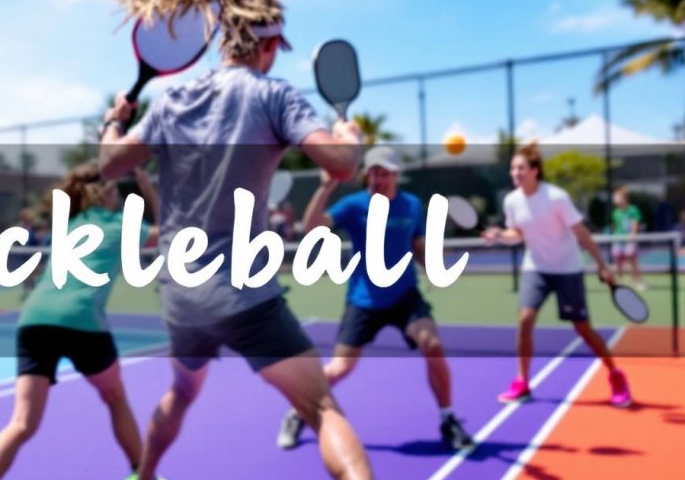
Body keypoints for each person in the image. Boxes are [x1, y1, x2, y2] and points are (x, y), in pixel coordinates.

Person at [101, 0, 375, 480]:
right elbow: (340, 167)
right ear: (268, 45)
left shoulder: (170, 99)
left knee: (181, 393)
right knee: (320, 406)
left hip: (181, 299)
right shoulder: (274, 96)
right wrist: (351, 141)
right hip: (244, 295)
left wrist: (116, 124)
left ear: (223, 40)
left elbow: (108, 162)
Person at [277, 146, 474, 452]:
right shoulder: (354, 205)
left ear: (396, 175)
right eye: (372, 172)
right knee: (340, 368)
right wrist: (327, 186)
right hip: (364, 299)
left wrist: (434, 265)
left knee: (432, 345)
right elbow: (312, 226)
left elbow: (418, 245)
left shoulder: (411, 205)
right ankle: (297, 411)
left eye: (384, 173)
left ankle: (448, 419)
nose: (377, 179)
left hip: (404, 295)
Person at [0, 164, 159, 480]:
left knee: (21, 424)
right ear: (104, 195)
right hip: (82, 320)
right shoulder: (121, 224)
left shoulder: (68, 225)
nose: (119, 196)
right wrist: (147, 188)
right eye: (116, 190)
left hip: (34, 318)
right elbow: (170, 232)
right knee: (114, 396)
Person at [482, 143, 631, 407]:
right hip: (536, 268)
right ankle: (522, 382)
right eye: (513, 168)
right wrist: (498, 234)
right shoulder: (512, 201)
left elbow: (581, 233)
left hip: (567, 269)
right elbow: (516, 233)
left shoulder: (556, 197)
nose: (515, 173)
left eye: (521, 168)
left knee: (582, 329)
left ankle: (616, 375)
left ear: (535, 171)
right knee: (525, 319)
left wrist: (601, 264)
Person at [610, 188, 646, 290]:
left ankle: (636, 280)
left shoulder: (633, 209)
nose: (615, 199)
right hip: (618, 240)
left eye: (617, 197)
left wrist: (632, 235)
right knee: (617, 259)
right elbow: (616, 226)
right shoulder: (615, 212)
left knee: (632, 259)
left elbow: (635, 222)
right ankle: (619, 280)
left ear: (624, 198)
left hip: (629, 240)